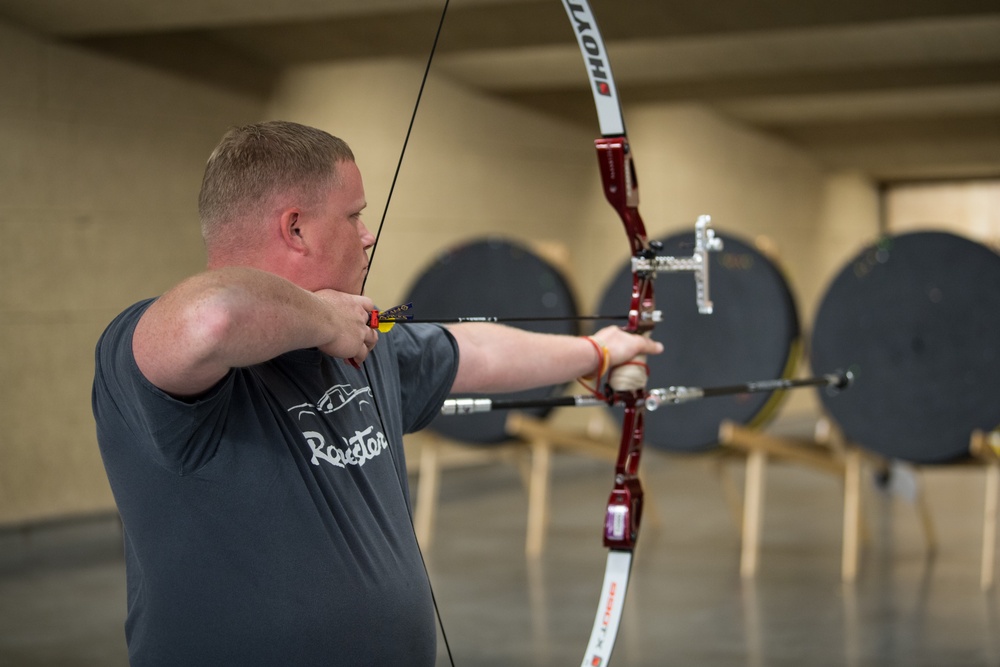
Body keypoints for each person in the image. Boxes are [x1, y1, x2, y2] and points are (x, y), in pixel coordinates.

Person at [92, 120, 662, 666]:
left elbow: (475, 351)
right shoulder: (145, 347)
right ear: (295, 228)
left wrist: (599, 353)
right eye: (354, 215)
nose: (368, 235)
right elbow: (211, 319)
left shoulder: (362, 347)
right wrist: (321, 316)